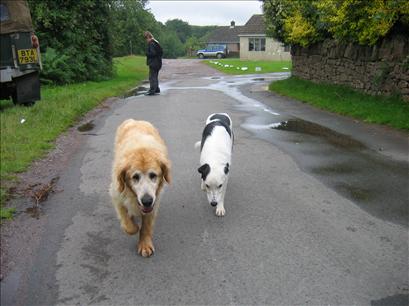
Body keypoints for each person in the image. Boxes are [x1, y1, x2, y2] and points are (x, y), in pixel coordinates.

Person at [144, 31, 163, 96]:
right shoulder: (156, 42)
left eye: (146, 38)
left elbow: (153, 53)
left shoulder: (151, 43)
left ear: (148, 37)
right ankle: (156, 89)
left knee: (152, 77)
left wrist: (147, 53)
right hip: (158, 62)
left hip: (154, 63)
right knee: (155, 76)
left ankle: (152, 90)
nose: (146, 40)